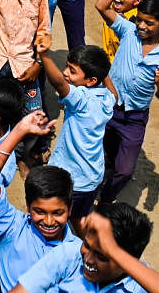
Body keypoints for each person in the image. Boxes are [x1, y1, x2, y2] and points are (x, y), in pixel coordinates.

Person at [92, 0, 159, 205]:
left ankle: (106, 199)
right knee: (98, 151)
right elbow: (101, 5)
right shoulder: (127, 30)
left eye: (149, 23)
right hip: (109, 106)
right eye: (139, 19)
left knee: (125, 170)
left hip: (134, 118)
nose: (141, 25)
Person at [9, 205, 159, 293]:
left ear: (126, 260)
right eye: (87, 245)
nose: (88, 259)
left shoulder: (140, 284)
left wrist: (113, 250)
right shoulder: (69, 255)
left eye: (103, 255)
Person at [35, 32, 114, 222]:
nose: (65, 73)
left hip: (70, 179)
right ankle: (87, 248)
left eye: (72, 70)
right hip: (92, 177)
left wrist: (44, 55)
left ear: (91, 81)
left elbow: (59, 83)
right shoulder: (107, 98)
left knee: (52, 219)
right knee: (80, 218)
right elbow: (114, 93)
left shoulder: (81, 100)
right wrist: (103, 71)